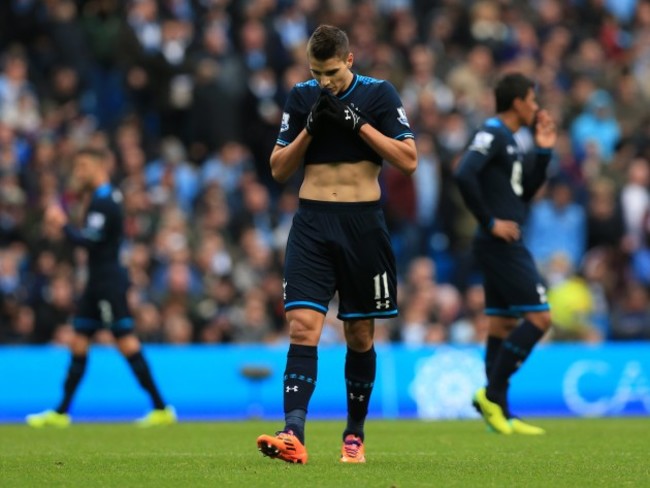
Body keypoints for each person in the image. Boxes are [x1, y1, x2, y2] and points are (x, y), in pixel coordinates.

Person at [256, 25, 417, 464]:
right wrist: (309, 129)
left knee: (360, 334)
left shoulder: (379, 94)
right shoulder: (301, 96)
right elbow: (278, 169)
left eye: (329, 72)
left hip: (363, 224)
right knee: (302, 326)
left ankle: (354, 435)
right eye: (315, 72)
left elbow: (408, 160)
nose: (323, 81)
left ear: (349, 60)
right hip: (312, 224)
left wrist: (358, 124)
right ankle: (293, 432)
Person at [26, 147, 176, 428]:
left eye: (82, 166)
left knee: (126, 341)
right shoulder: (99, 199)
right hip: (95, 283)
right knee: (79, 342)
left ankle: (161, 407)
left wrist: (63, 226)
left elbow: (91, 242)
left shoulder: (105, 202)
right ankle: (60, 412)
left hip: (107, 284)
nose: (77, 173)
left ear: (97, 166)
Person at [454, 73, 557, 435]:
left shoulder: (512, 140)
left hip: (502, 239)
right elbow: (464, 174)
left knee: (502, 325)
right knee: (540, 318)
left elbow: (522, 194)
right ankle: (492, 394)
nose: (535, 106)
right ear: (517, 102)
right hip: (500, 242)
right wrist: (489, 221)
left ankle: (503, 413)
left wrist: (543, 151)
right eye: (531, 99)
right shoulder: (493, 132)